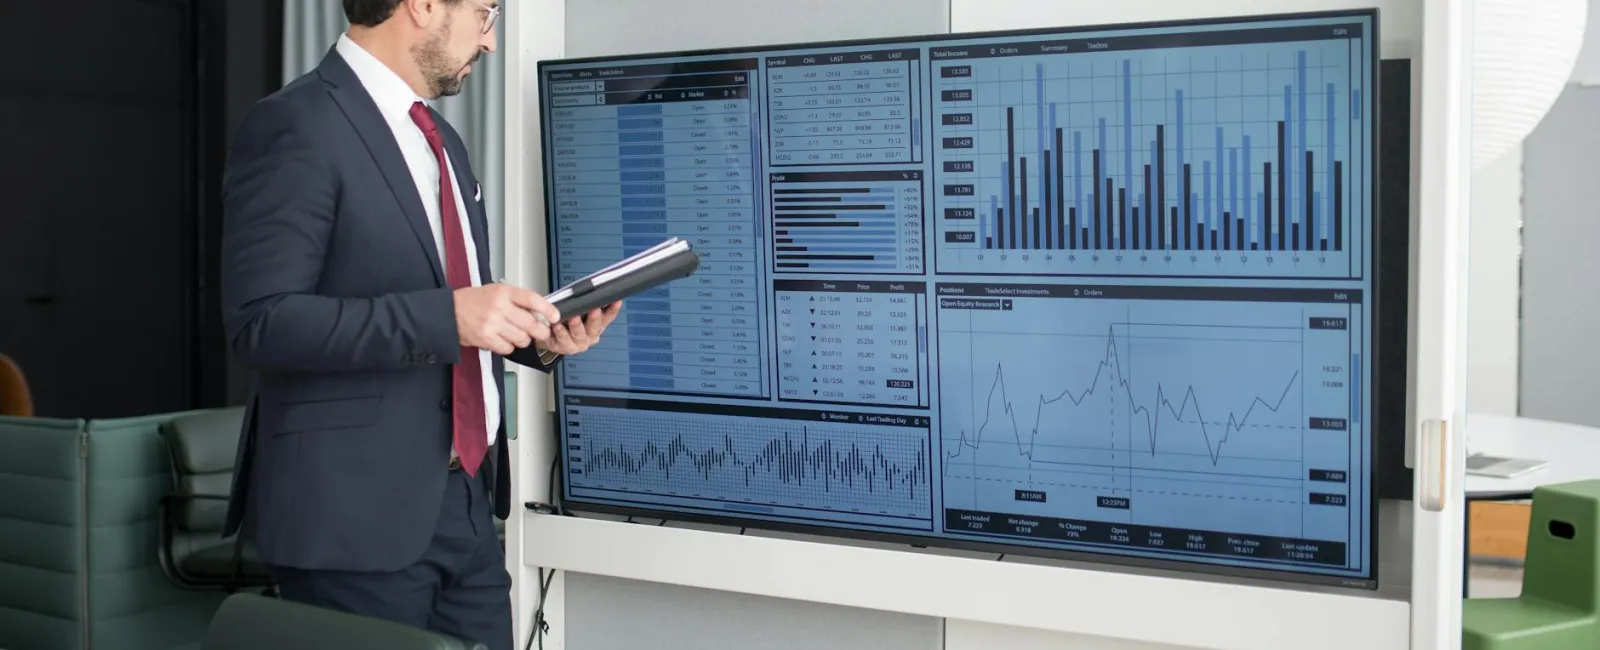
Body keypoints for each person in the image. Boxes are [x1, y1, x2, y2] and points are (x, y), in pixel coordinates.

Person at [219, 1, 619, 648]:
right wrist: (450, 316)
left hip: (465, 505)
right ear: (425, 5)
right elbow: (263, 321)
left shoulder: (441, 139)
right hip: (352, 520)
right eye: (484, 13)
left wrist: (537, 339)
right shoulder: (295, 124)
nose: (490, 41)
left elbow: (455, 313)